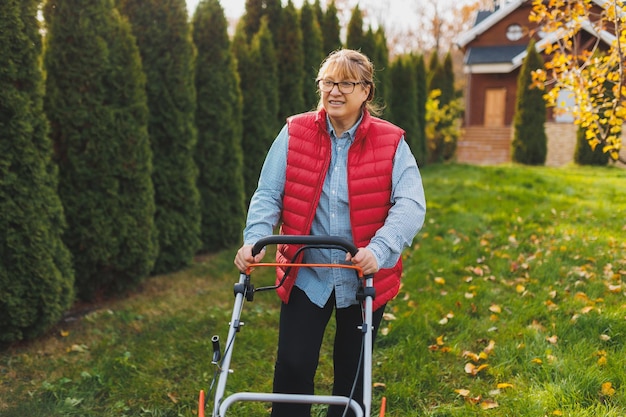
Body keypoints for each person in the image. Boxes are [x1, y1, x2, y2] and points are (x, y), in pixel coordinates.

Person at [234, 48, 426, 417]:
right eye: (327, 82)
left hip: (363, 275)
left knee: (352, 376)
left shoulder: (391, 142)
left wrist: (380, 249)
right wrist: (255, 239)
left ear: (366, 91)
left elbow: (411, 205)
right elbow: (268, 194)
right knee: (293, 364)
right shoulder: (295, 132)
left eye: (345, 84)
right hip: (308, 272)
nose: (334, 91)